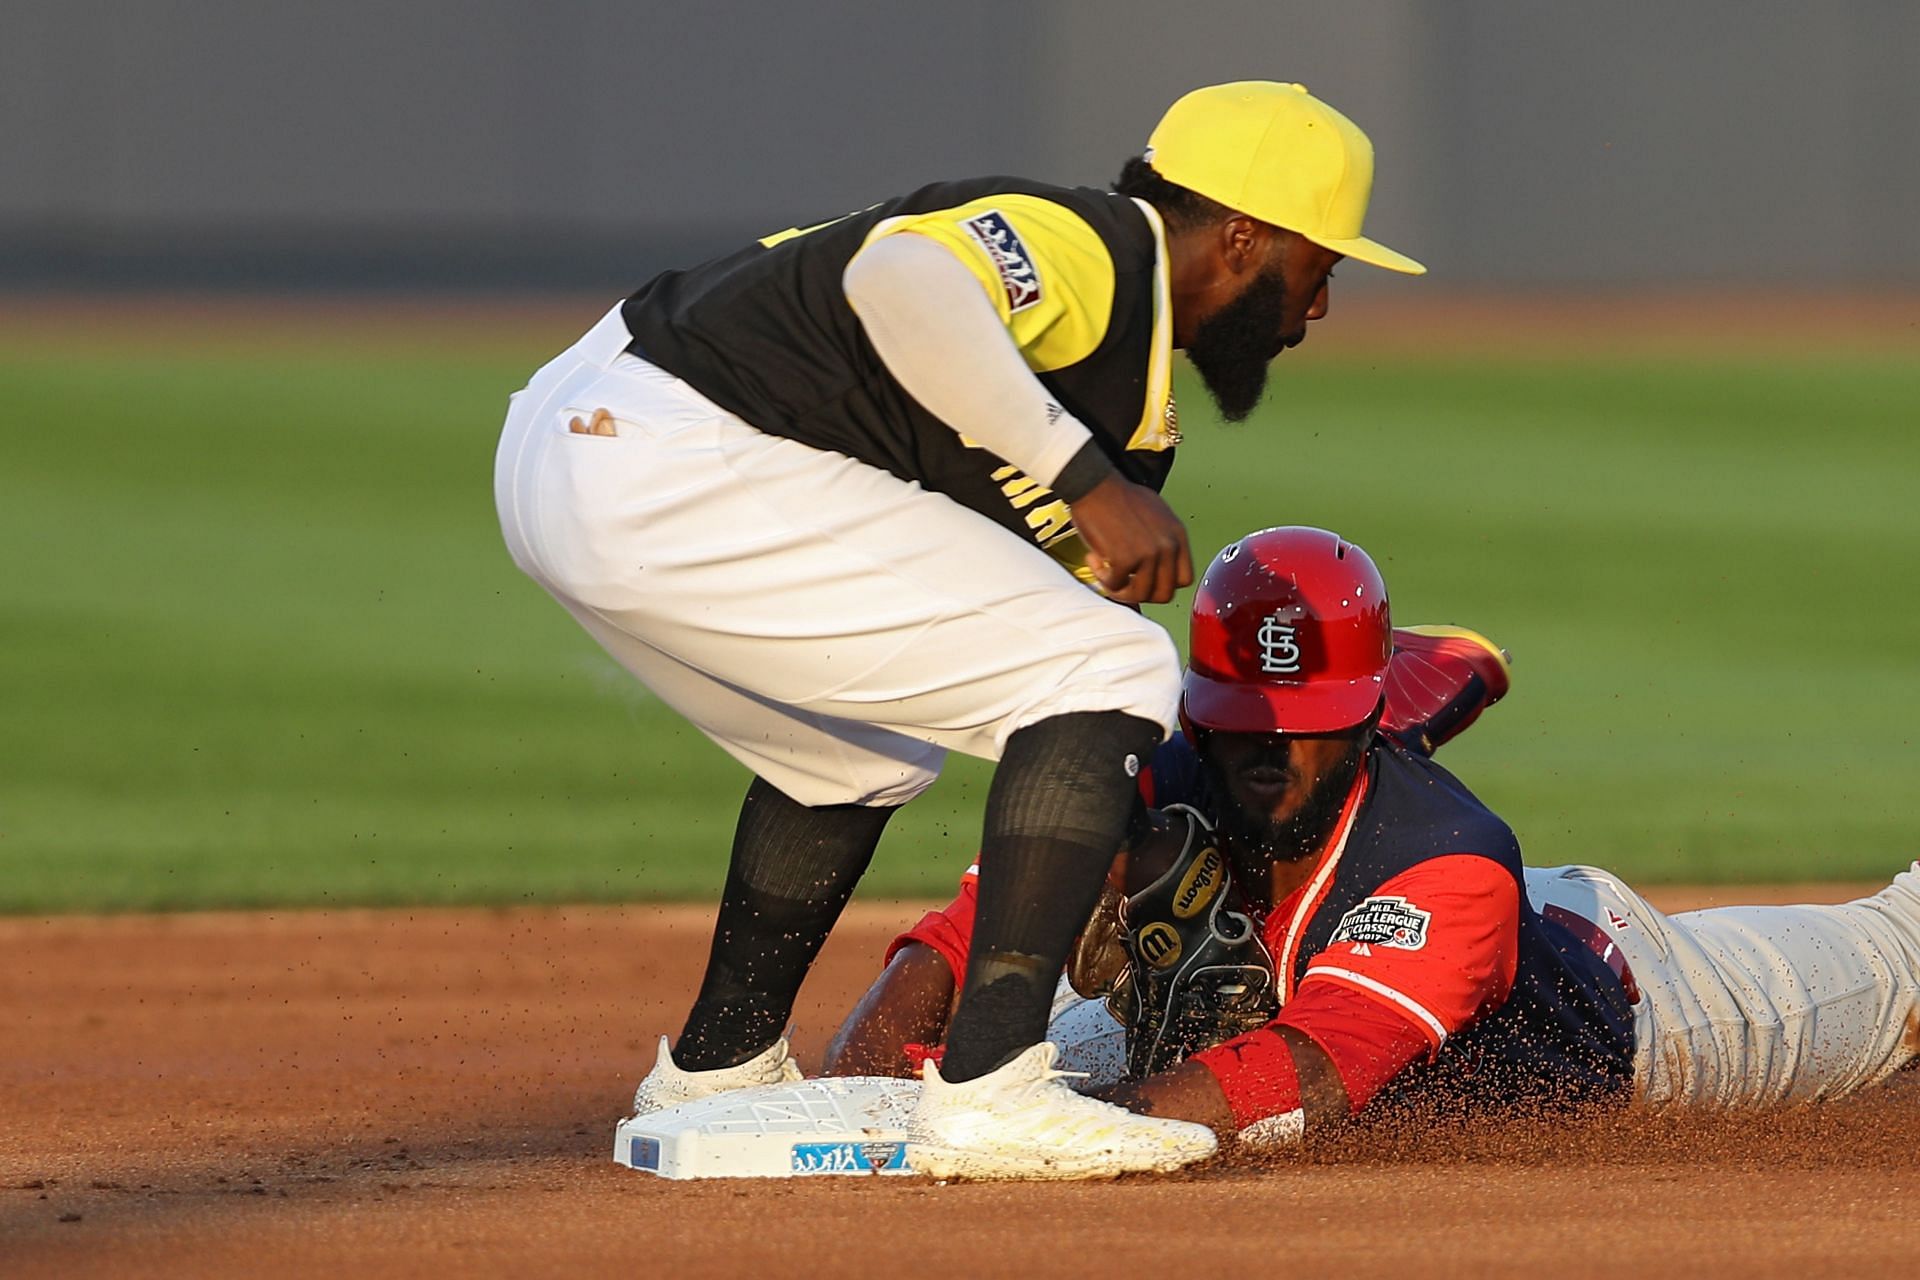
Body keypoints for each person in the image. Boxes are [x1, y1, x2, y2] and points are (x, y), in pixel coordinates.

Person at [492, 83, 1425, 1179]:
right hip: (657, 445)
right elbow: (899, 277)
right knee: (1117, 664)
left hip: (589, 458)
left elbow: (1036, 658)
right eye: (1322, 266)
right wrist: (1086, 485)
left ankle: (717, 1066)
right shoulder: (1092, 247)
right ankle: (992, 1087)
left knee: (855, 742)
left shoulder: (1129, 402)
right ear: (1244, 236)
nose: (1318, 303)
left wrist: (1127, 850)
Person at [826, 527, 1920, 1147]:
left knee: (1899, 961)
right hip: (1310, 954)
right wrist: (892, 1084)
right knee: (1053, 1024)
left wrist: (1010, 1121)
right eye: (1246, 723)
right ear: (1197, 706)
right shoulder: (1134, 775)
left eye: (1304, 728)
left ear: (1364, 709)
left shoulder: (1446, 860)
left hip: (1632, 1002)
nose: (1269, 751)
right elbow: (934, 975)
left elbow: (1291, 1073)